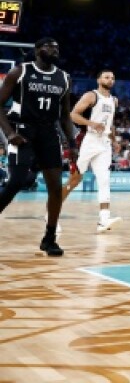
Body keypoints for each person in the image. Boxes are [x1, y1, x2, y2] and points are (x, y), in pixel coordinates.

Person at [0, 38, 76, 256]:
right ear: (37, 50)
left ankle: (49, 239)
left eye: (57, 47)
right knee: (16, 181)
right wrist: (10, 133)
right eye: (50, 46)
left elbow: (64, 116)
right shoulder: (20, 72)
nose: (55, 50)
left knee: (55, 188)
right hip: (22, 130)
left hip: (48, 134)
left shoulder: (64, 78)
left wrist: (72, 144)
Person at [61, 68, 121, 233]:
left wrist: (114, 140)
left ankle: (104, 219)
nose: (110, 80)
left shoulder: (114, 101)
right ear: (98, 80)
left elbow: (110, 123)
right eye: (107, 77)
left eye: (112, 78)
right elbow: (73, 115)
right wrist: (92, 124)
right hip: (87, 141)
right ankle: (52, 212)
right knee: (74, 180)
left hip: (104, 144)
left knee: (104, 180)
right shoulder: (91, 96)